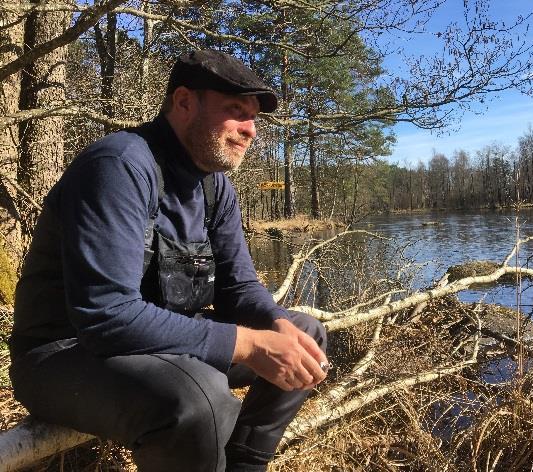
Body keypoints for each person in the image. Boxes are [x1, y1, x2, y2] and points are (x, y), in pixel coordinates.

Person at [9, 49, 328, 472]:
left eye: (254, 118)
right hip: (63, 356)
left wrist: (274, 321)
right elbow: (106, 316)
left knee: (306, 334)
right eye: (236, 112)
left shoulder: (215, 188)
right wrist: (248, 344)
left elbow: (238, 287)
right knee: (200, 400)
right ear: (183, 103)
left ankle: (243, 464)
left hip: (154, 346)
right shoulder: (119, 167)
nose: (250, 131)